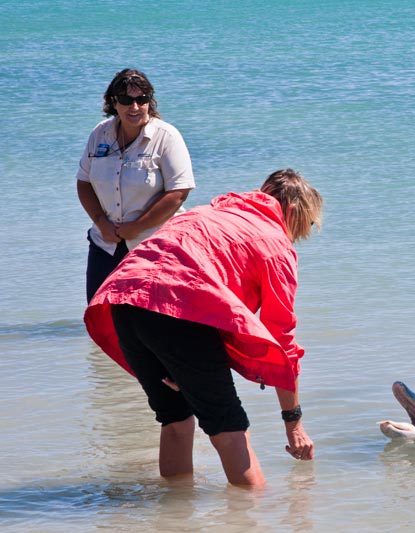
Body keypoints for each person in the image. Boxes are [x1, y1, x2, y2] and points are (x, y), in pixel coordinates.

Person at [84, 169, 323, 488]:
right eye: (304, 225)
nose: (297, 235)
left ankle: (174, 514)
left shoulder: (208, 215)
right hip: (173, 309)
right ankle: (251, 518)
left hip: (124, 299)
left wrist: (177, 360)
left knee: (175, 421)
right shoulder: (274, 241)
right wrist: (293, 424)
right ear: (292, 212)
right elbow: (281, 340)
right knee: (230, 430)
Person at [77, 68, 195, 303]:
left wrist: (137, 227)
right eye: (126, 100)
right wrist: (102, 222)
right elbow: (84, 182)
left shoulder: (166, 136)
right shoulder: (99, 134)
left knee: (151, 320)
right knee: (101, 316)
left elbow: (179, 193)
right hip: (106, 243)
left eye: (142, 100)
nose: (135, 107)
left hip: (154, 245)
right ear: (113, 102)